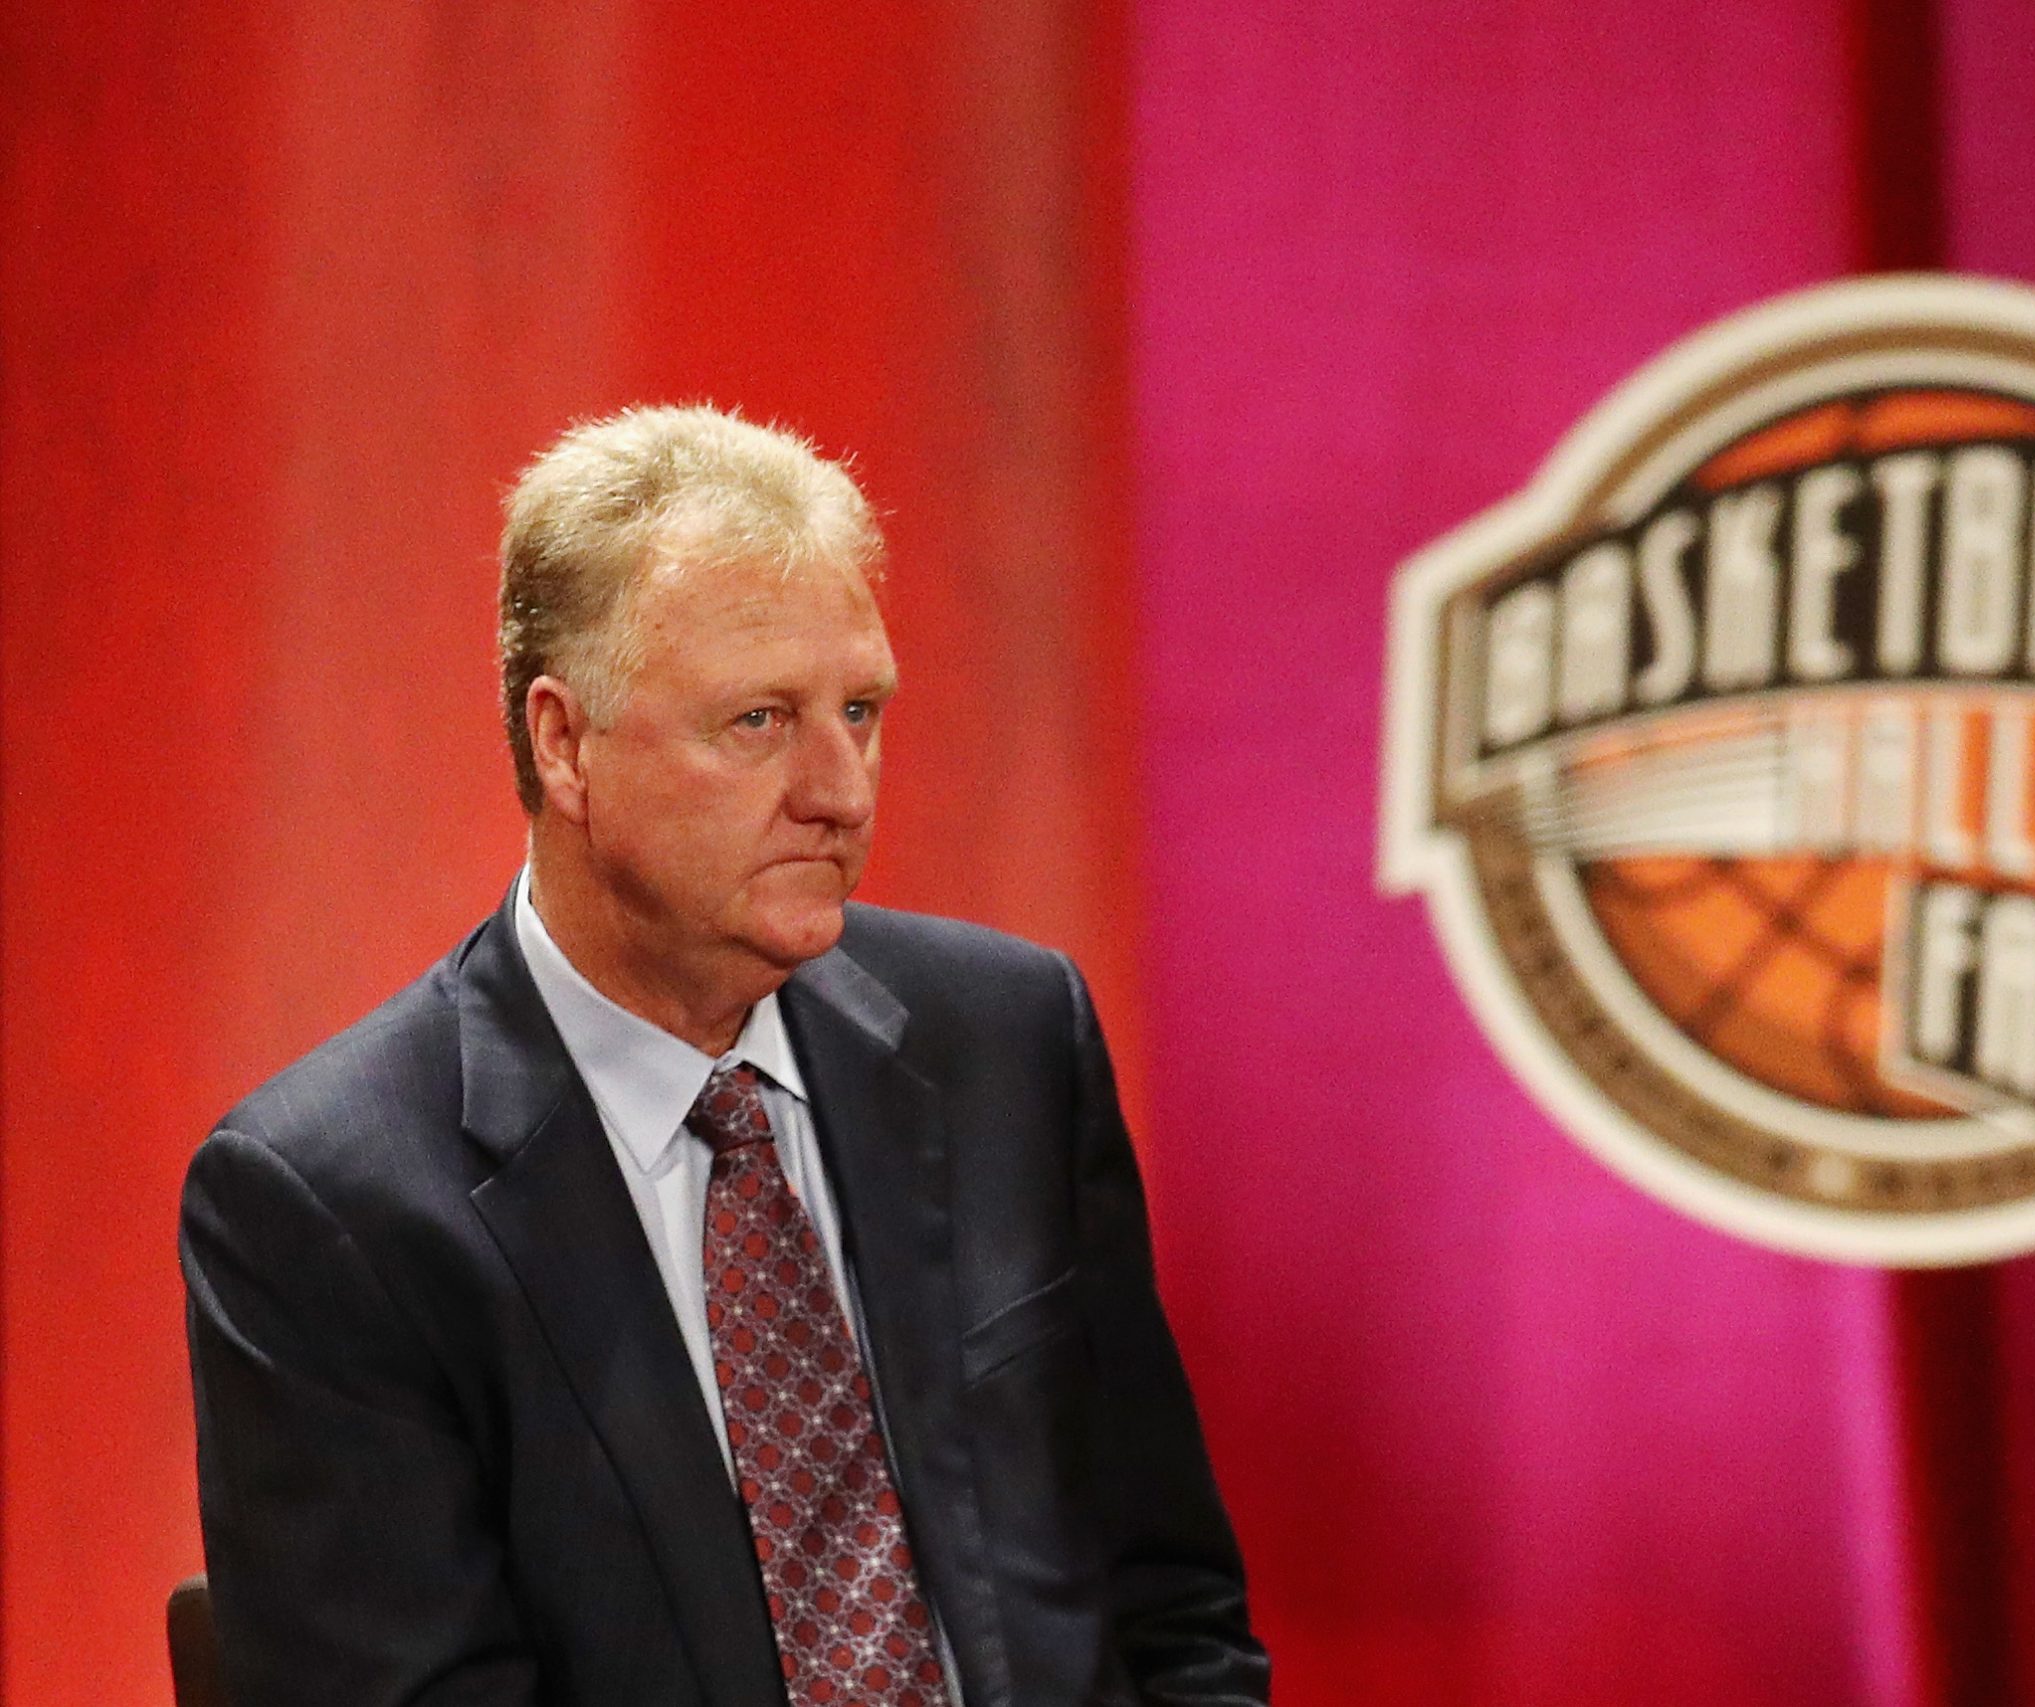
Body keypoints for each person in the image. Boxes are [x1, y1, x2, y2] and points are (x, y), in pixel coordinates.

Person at [179, 406, 1267, 1707]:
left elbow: (1171, 1611)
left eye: (858, 710)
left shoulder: (1010, 1043)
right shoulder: (329, 1208)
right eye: (759, 721)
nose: (842, 789)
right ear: (562, 741)